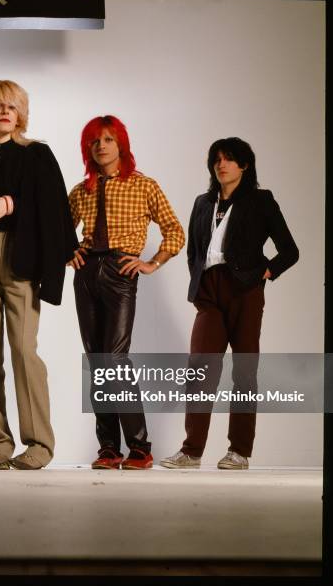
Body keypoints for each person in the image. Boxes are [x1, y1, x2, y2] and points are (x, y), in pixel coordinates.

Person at [0, 79, 78, 470]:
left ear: (21, 114)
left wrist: (11, 203)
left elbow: (54, 202)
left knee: (24, 350)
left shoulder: (37, 155)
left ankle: (39, 444)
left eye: (12, 106)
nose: (5, 112)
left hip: (22, 253)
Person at [160, 137, 299, 470]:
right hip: (210, 291)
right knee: (200, 369)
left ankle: (239, 451)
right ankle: (191, 451)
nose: (221, 164)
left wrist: (264, 273)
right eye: (217, 159)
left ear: (245, 165)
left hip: (245, 291)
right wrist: (199, 280)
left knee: (244, 371)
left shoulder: (260, 201)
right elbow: (194, 249)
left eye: (229, 159)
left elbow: (289, 251)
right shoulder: (202, 203)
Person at [68, 115, 185, 470]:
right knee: (97, 361)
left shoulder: (143, 185)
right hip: (87, 273)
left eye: (107, 139)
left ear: (121, 144)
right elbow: (59, 230)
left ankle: (139, 447)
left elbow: (175, 232)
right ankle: (108, 448)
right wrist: (67, 251)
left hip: (121, 271)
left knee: (115, 360)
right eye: (94, 141)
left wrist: (151, 263)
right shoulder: (80, 190)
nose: (101, 146)